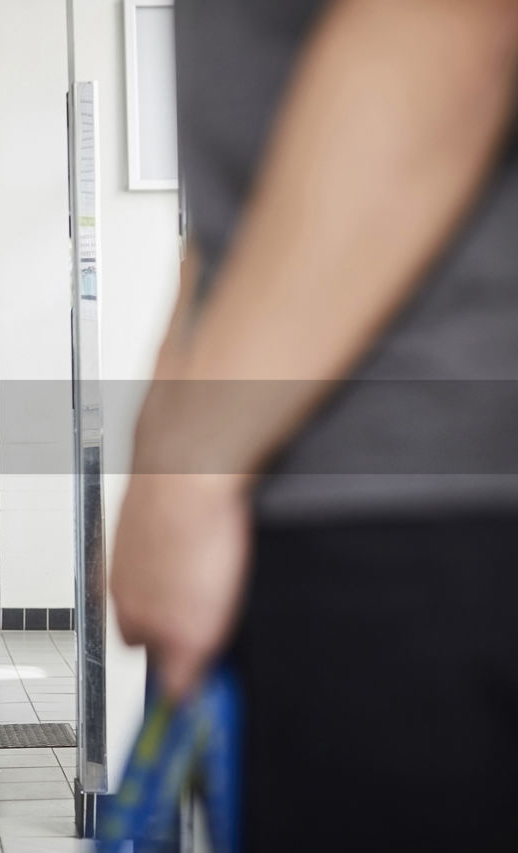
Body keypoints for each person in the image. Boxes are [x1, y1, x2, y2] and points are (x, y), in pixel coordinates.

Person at [109, 1, 518, 849]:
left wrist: (191, 466)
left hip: (424, 510)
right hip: (343, 498)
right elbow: (252, 196)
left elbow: (442, 30)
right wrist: (166, 446)